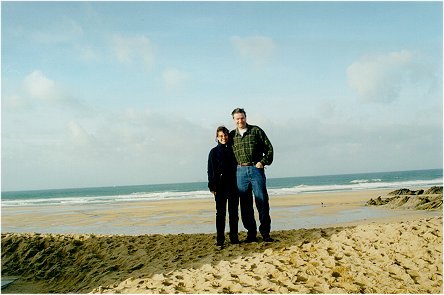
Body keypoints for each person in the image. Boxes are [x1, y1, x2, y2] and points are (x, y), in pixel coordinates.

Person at [230, 108, 274, 243]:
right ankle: (251, 233)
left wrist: (263, 162)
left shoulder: (256, 131)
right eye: (237, 118)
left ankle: (265, 233)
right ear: (234, 120)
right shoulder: (232, 135)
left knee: (262, 201)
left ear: (245, 117)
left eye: (242, 118)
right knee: (245, 205)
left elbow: (269, 149)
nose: (240, 121)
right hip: (240, 172)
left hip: (256, 169)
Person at [207, 126, 240, 247]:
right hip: (220, 187)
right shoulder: (213, 152)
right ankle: (220, 239)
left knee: (234, 213)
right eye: (221, 136)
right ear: (217, 137)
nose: (223, 138)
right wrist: (212, 186)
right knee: (220, 214)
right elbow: (210, 171)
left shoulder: (233, 150)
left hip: (233, 186)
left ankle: (234, 237)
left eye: (225, 135)